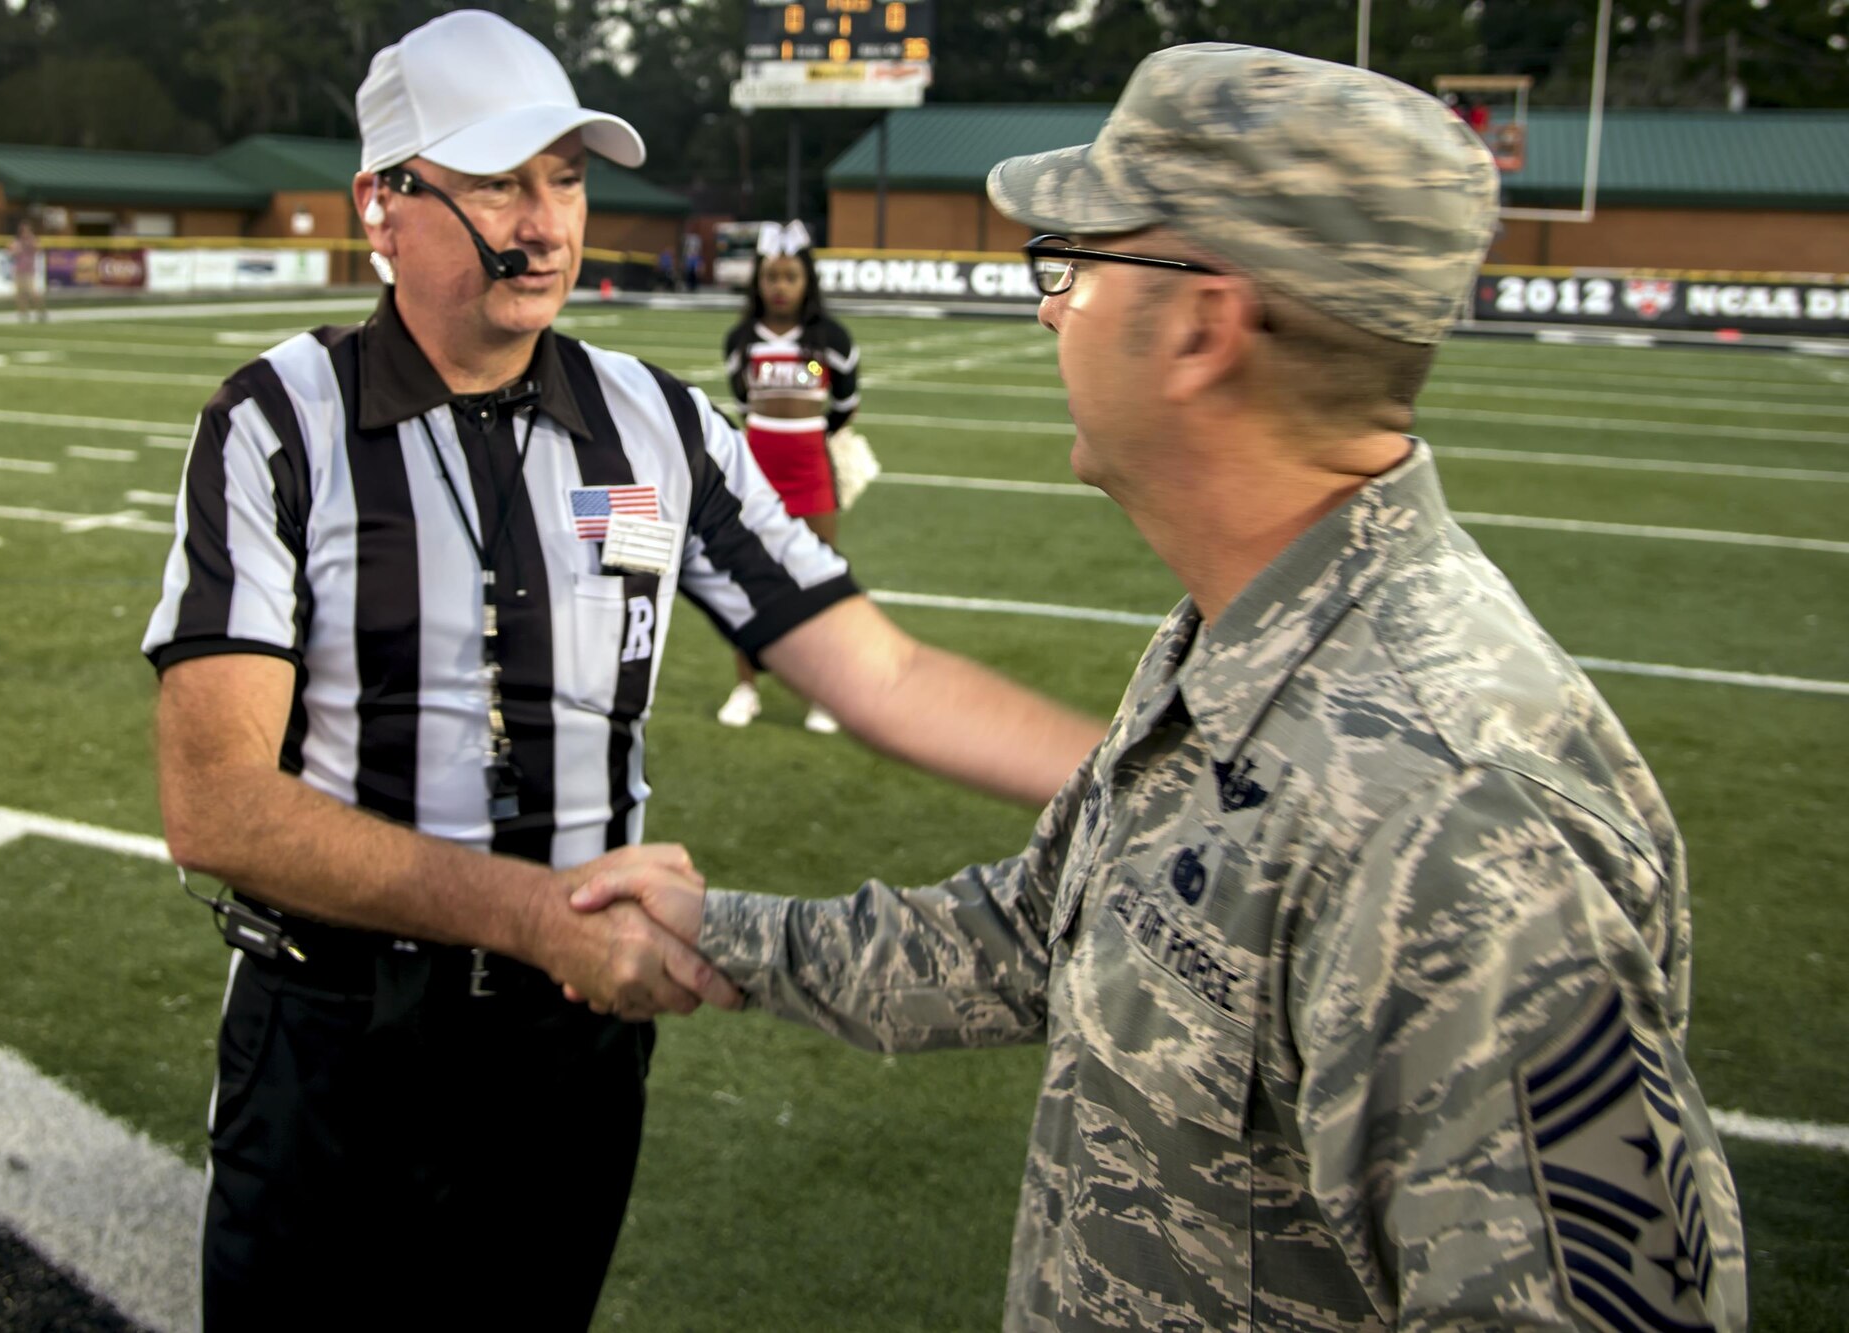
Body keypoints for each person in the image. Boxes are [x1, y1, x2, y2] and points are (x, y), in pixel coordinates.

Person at [571, 43, 1749, 1332]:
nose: (1046, 305)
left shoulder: (1463, 819)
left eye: (1073, 263)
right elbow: (1032, 933)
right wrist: (721, 931)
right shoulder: (1241, 632)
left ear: (1201, 324)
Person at [141, 10, 1102, 1331]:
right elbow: (217, 804)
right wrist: (531, 913)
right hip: (340, 1035)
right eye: (495, 179)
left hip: (568, 1051)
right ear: (384, 201)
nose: (544, 222)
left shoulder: (662, 422)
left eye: (567, 176)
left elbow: (876, 670)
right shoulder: (275, 424)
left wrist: (1149, 780)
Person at [717, 219, 859, 733]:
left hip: (812, 476)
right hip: (756, 476)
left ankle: (823, 694)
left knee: (820, 582)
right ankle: (746, 685)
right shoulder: (740, 341)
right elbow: (742, 404)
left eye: (790, 277)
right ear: (757, 281)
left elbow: (844, 406)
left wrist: (810, 440)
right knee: (749, 582)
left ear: (808, 282)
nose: (779, 287)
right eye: (770, 277)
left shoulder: (831, 340)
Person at [10, 219, 43, 323]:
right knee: (20, 294)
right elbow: (12, 252)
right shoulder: (17, 241)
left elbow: (38, 248)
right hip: (19, 270)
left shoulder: (32, 240)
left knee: (32, 292)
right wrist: (15, 249)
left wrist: (29, 244)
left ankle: (40, 311)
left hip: (29, 270)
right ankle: (23, 313)